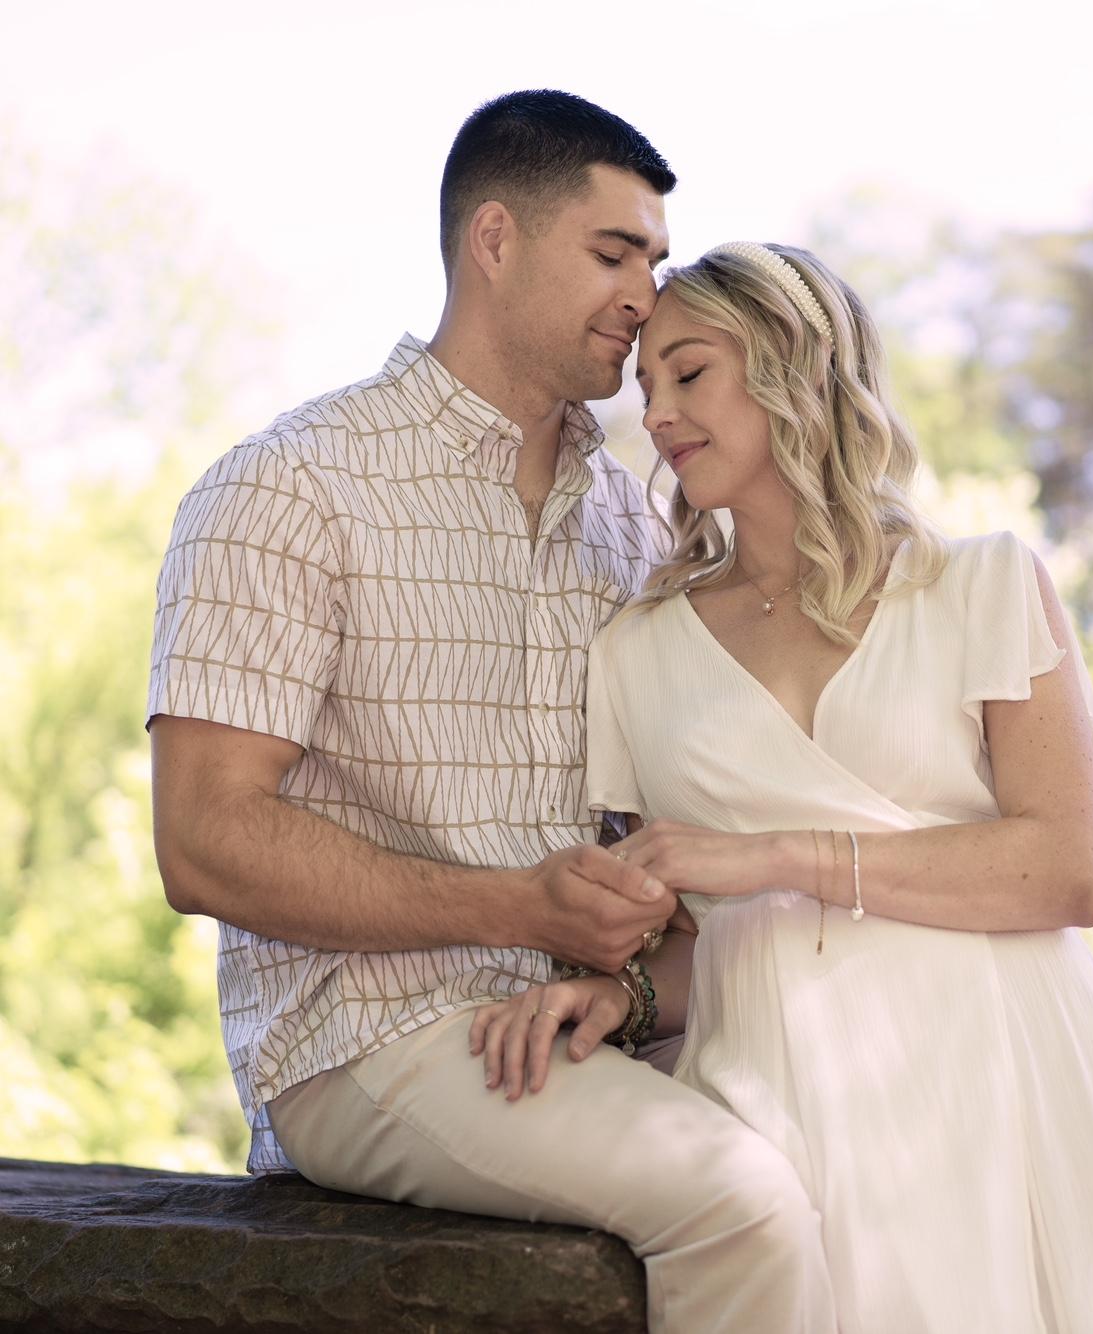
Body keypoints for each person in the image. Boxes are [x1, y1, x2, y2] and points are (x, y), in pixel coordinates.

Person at [470, 241, 1093, 1333]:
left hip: (1017, 1080)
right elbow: (704, 934)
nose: (656, 414)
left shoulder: (980, 583)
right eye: (645, 385)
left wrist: (774, 853)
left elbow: (1066, 871)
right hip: (788, 1102)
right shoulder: (636, 651)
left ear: (796, 367)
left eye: (690, 372)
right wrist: (626, 996)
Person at [148, 95, 842, 1333]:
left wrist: (636, 966)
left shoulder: (635, 521)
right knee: (739, 1201)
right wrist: (520, 906)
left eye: (655, 261)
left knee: (859, 1142)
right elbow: (203, 840)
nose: (644, 295)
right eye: (613, 253)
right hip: (366, 1038)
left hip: (592, 1024)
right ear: (495, 240)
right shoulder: (290, 484)